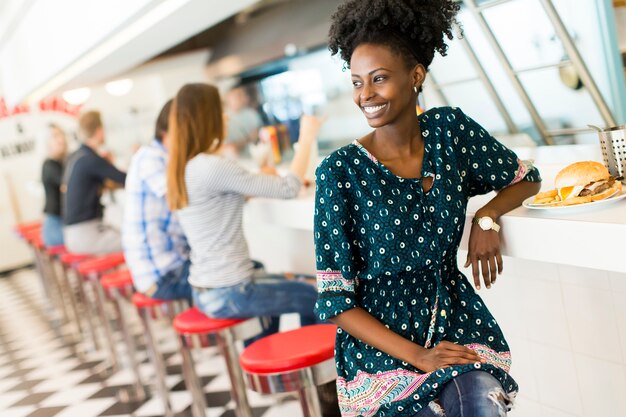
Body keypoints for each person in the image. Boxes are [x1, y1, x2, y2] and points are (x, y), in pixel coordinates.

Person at [314, 1, 542, 417]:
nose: (365, 95)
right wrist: (418, 357)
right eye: (357, 82)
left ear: (416, 75)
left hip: (454, 328)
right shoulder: (339, 172)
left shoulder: (448, 132)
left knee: (483, 408)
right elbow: (336, 302)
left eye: (379, 79)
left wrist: (487, 216)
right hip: (380, 357)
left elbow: (526, 178)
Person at [166, 83, 325, 336]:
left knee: (295, 284)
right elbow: (288, 189)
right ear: (207, 118)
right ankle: (323, 372)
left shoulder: (184, 167)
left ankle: (282, 369)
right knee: (321, 297)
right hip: (231, 291)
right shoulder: (212, 166)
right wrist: (307, 135)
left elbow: (223, 196)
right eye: (220, 111)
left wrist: (258, 181)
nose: (226, 117)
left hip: (207, 288)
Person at [122, 100, 191, 301]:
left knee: (245, 272)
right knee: (246, 275)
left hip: (167, 266)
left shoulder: (161, 157)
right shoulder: (151, 158)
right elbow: (181, 203)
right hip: (163, 275)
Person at [63, 111, 126, 254]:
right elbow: (125, 179)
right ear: (99, 131)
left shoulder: (77, 156)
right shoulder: (90, 159)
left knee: (123, 233)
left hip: (74, 233)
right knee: (136, 241)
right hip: (85, 234)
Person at [41, 124, 68, 247]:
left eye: (62, 134)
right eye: (55, 136)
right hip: (55, 228)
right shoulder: (49, 165)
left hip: (62, 224)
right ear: (47, 142)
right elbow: (68, 186)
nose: (61, 139)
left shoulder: (63, 162)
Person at [222, 86, 263, 156]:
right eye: (237, 95)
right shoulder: (224, 119)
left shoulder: (251, 113)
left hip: (256, 155)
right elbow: (230, 148)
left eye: (242, 94)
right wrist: (248, 139)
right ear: (228, 97)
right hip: (237, 160)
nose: (240, 97)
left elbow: (259, 137)